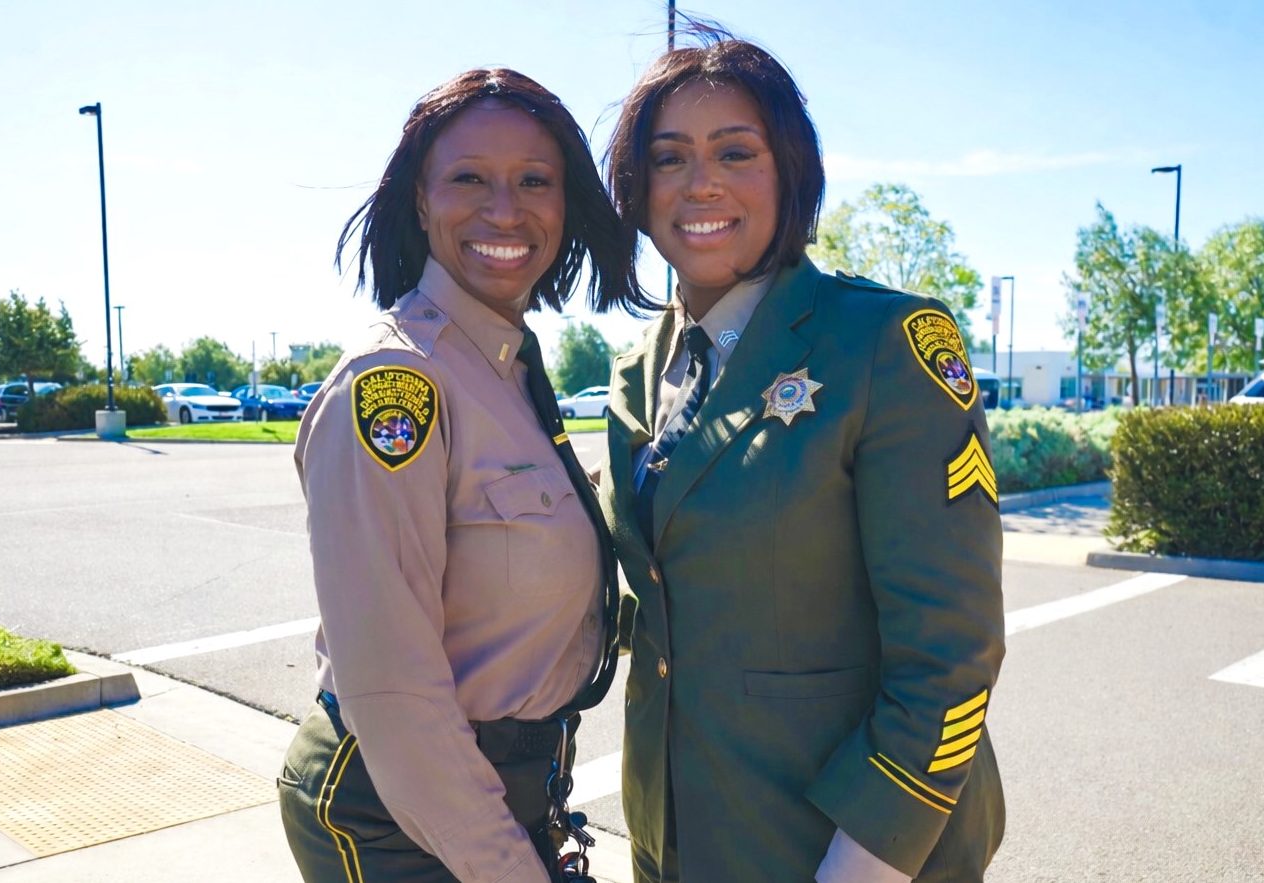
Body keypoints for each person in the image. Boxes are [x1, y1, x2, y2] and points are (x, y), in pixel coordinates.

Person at [599, 32, 1006, 883]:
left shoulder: (882, 341)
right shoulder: (638, 371)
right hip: (679, 839)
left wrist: (861, 866)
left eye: (735, 152)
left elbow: (950, 654)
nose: (700, 181)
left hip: (846, 848)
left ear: (791, 172)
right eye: (668, 158)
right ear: (638, 194)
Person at [278, 67, 651, 883]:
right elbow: (395, 698)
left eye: (534, 181)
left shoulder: (506, 367)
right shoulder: (394, 385)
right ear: (420, 199)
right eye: (469, 178)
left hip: (496, 789)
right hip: (397, 810)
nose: (505, 209)